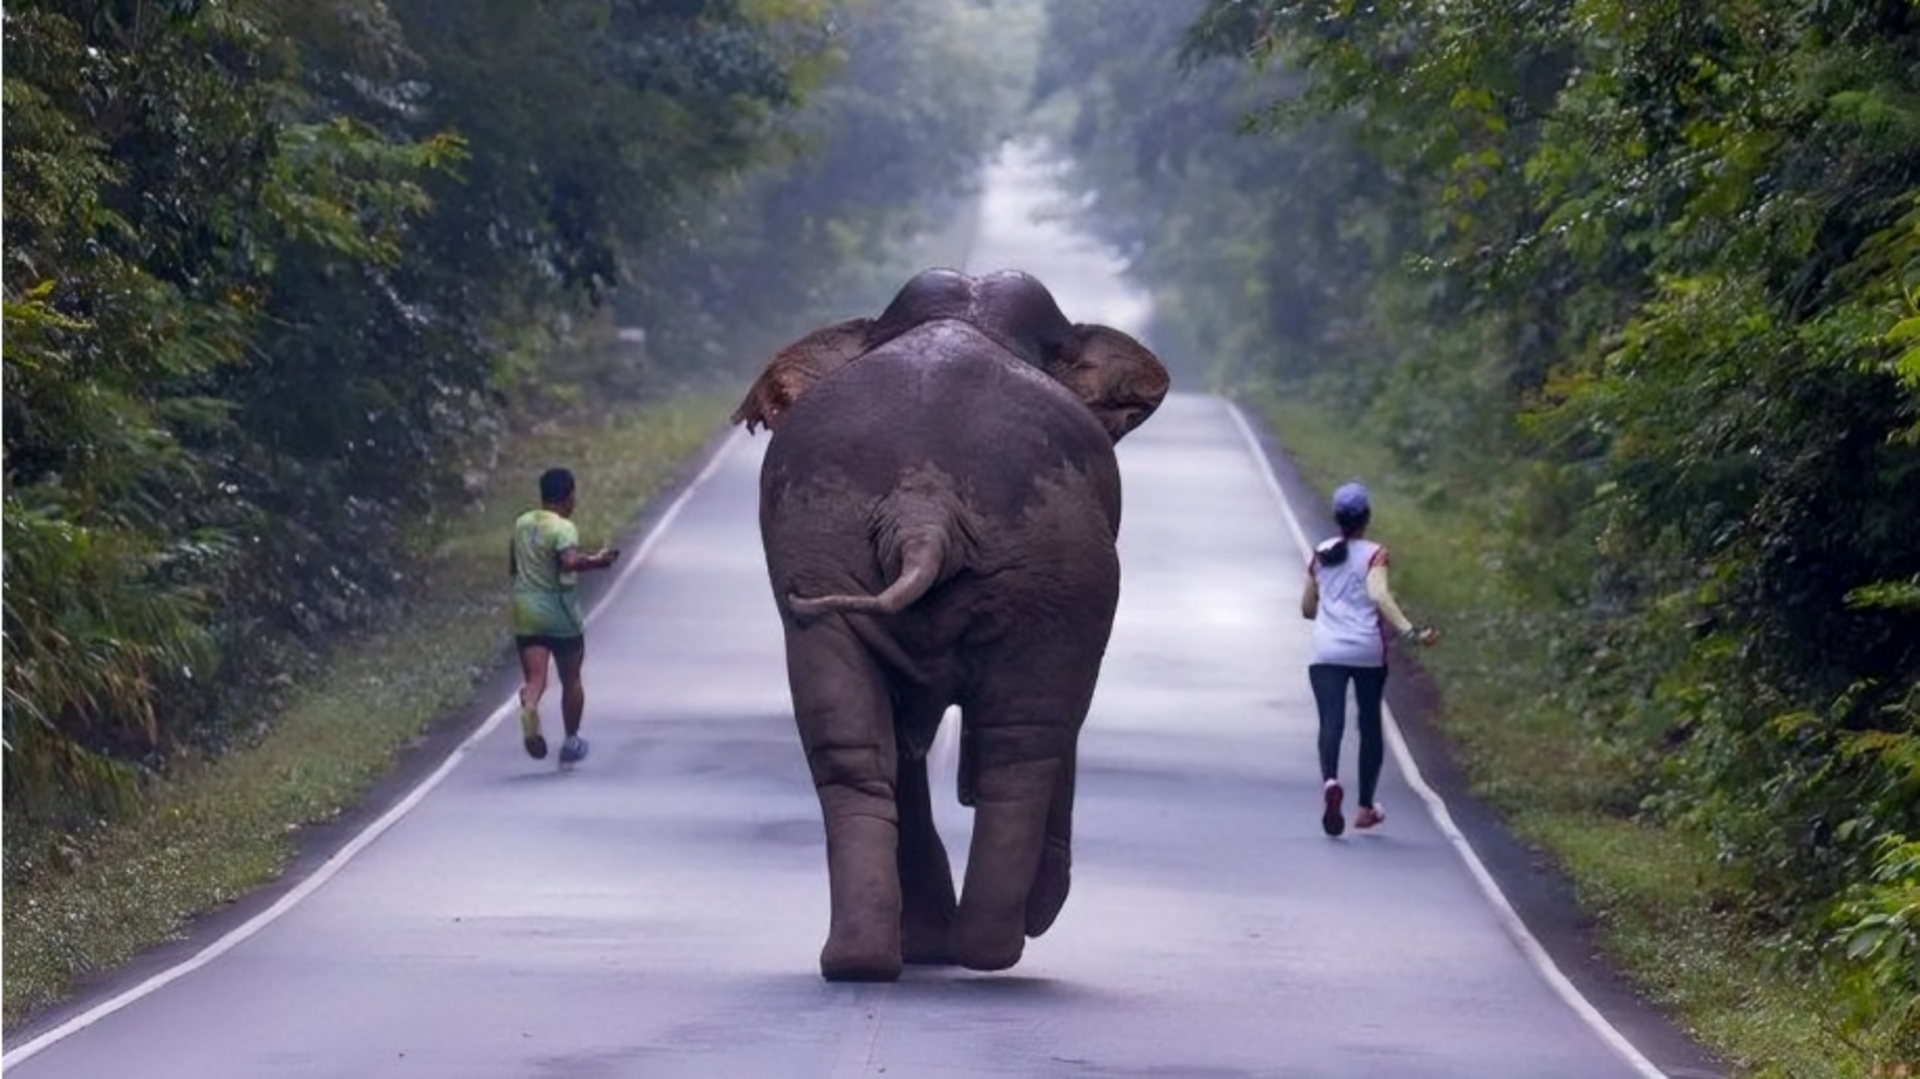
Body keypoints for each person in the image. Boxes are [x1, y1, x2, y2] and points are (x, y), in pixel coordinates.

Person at [1300, 481, 1437, 836]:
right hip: (1366, 651)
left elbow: (1307, 608)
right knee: (1370, 724)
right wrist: (1410, 631)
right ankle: (1365, 807)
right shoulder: (1375, 553)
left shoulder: (1321, 552)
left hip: (1326, 651)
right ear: (1367, 518)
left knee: (1331, 721)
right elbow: (1378, 594)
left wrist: (1330, 608)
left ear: (1337, 518)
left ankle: (1330, 781)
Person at [510, 467, 620, 766]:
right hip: (560, 612)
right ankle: (571, 740)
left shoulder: (522, 524)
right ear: (569, 496)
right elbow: (568, 561)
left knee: (535, 678)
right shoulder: (563, 528)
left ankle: (529, 705)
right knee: (571, 678)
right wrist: (597, 562)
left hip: (526, 611)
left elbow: (514, 567)